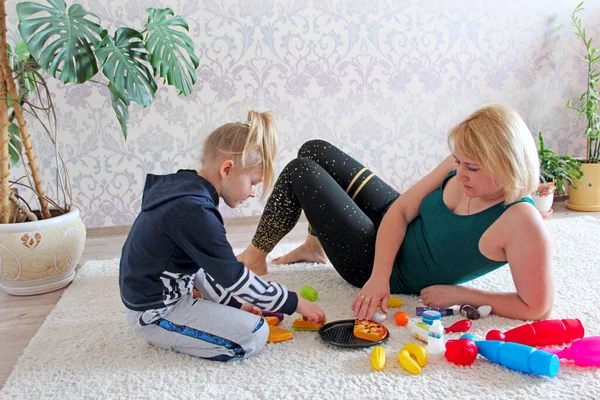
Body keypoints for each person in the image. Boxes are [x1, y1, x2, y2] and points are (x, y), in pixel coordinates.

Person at [238, 105, 554, 321]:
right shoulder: (462, 164)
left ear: (507, 166)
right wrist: (379, 278)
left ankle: (254, 258)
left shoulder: (520, 221)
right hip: (390, 235)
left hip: (376, 265)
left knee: (300, 171)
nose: (459, 173)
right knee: (314, 149)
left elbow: (537, 307)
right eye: (457, 162)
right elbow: (401, 210)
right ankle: (314, 245)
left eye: (472, 167)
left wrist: (460, 294)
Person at [119, 109, 326, 361]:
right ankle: (163, 335)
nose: (252, 193)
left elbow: (205, 267)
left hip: (162, 293)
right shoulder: (194, 212)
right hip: (156, 312)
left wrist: (239, 306)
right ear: (227, 169)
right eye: (253, 182)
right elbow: (233, 276)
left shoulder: (186, 191)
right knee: (254, 334)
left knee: (216, 283)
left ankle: (198, 318)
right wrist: (294, 302)